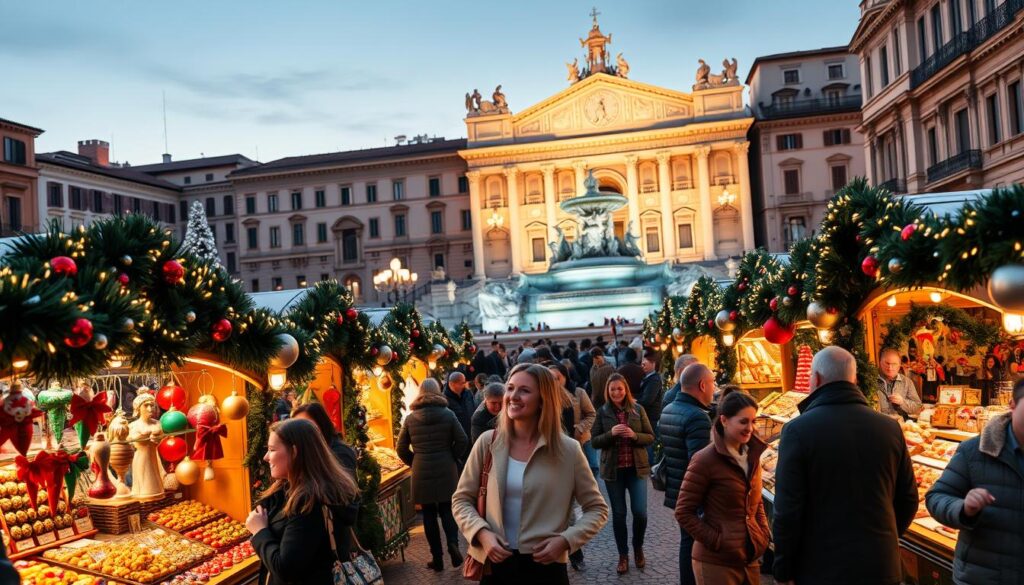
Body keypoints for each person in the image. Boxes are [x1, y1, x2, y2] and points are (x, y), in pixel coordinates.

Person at [772, 346, 917, 585]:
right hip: (880, 565)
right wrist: (883, 539)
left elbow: (787, 511)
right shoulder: (889, 428)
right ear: (855, 379)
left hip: (821, 567)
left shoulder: (798, 431)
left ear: (816, 378)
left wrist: (783, 569)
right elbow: (908, 499)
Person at [452, 364, 608, 584]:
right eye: (511, 388)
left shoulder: (568, 450)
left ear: (543, 399)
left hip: (547, 567)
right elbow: (461, 499)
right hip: (496, 564)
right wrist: (482, 534)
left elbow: (597, 509)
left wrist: (565, 541)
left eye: (524, 390)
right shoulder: (488, 442)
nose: (513, 396)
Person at [925, 377, 1024, 584]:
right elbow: (936, 497)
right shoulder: (975, 451)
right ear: (1012, 406)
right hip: (982, 576)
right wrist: (963, 508)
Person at [247, 418, 360, 585]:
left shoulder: (307, 502)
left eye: (272, 450)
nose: (266, 457)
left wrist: (259, 532)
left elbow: (286, 569)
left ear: (294, 451)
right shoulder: (293, 489)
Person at [676, 391, 769, 585]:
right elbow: (684, 512)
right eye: (743, 422)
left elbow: (756, 501)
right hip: (716, 562)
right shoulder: (704, 460)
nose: (750, 428)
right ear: (724, 421)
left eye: (753, 421)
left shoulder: (753, 456)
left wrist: (762, 534)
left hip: (749, 557)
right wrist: (717, 540)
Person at [397, 378, 469, 571]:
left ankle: (437, 558)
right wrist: (452, 456)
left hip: (421, 467)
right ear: (438, 391)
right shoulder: (448, 414)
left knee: (428, 513)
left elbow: (401, 447)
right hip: (446, 467)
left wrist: (415, 461)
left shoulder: (411, 418)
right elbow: (462, 440)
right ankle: (453, 543)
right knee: (447, 509)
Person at [590, 374, 654, 575]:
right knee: (619, 515)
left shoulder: (637, 409)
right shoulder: (603, 412)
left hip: (637, 469)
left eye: (619, 388)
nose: (616, 392)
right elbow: (594, 441)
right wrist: (611, 434)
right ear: (607, 392)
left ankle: (638, 547)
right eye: (612, 389)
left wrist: (635, 436)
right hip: (614, 471)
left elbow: (651, 436)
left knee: (640, 512)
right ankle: (623, 555)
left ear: (625, 389)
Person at [658, 363, 714, 585]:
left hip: (678, 489)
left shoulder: (669, 408)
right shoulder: (696, 416)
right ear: (702, 385)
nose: (713, 389)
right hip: (694, 494)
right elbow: (699, 464)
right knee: (695, 545)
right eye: (712, 384)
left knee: (686, 542)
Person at [546, 361, 597, 572]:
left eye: (557, 378)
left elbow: (590, 414)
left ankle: (575, 553)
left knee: (568, 508)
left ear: (565, 377)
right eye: (549, 379)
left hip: (572, 453)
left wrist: (580, 428)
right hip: (549, 457)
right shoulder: (543, 398)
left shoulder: (577, 392)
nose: (554, 382)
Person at [291, 402, 357, 473]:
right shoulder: (304, 451)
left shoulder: (340, 452)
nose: (301, 431)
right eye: (297, 427)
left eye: (307, 426)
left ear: (322, 424)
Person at [878, 347, 923, 418]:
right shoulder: (871, 381)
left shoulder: (907, 382)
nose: (890, 367)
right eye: (887, 363)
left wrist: (902, 402)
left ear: (899, 365)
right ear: (880, 362)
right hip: (877, 424)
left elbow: (917, 407)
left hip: (901, 425)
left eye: (894, 364)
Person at [637, 350, 664, 461]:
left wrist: (635, 401)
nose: (642, 366)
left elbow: (647, 400)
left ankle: (649, 466)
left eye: (645, 364)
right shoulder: (649, 377)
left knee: (648, 444)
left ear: (653, 364)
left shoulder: (654, 380)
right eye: (642, 364)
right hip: (648, 416)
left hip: (651, 417)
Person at [444, 371, 476, 464]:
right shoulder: (444, 399)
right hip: (457, 440)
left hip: (471, 435)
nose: (464, 385)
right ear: (451, 384)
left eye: (464, 382)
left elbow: (473, 409)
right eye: (461, 383)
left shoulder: (468, 394)